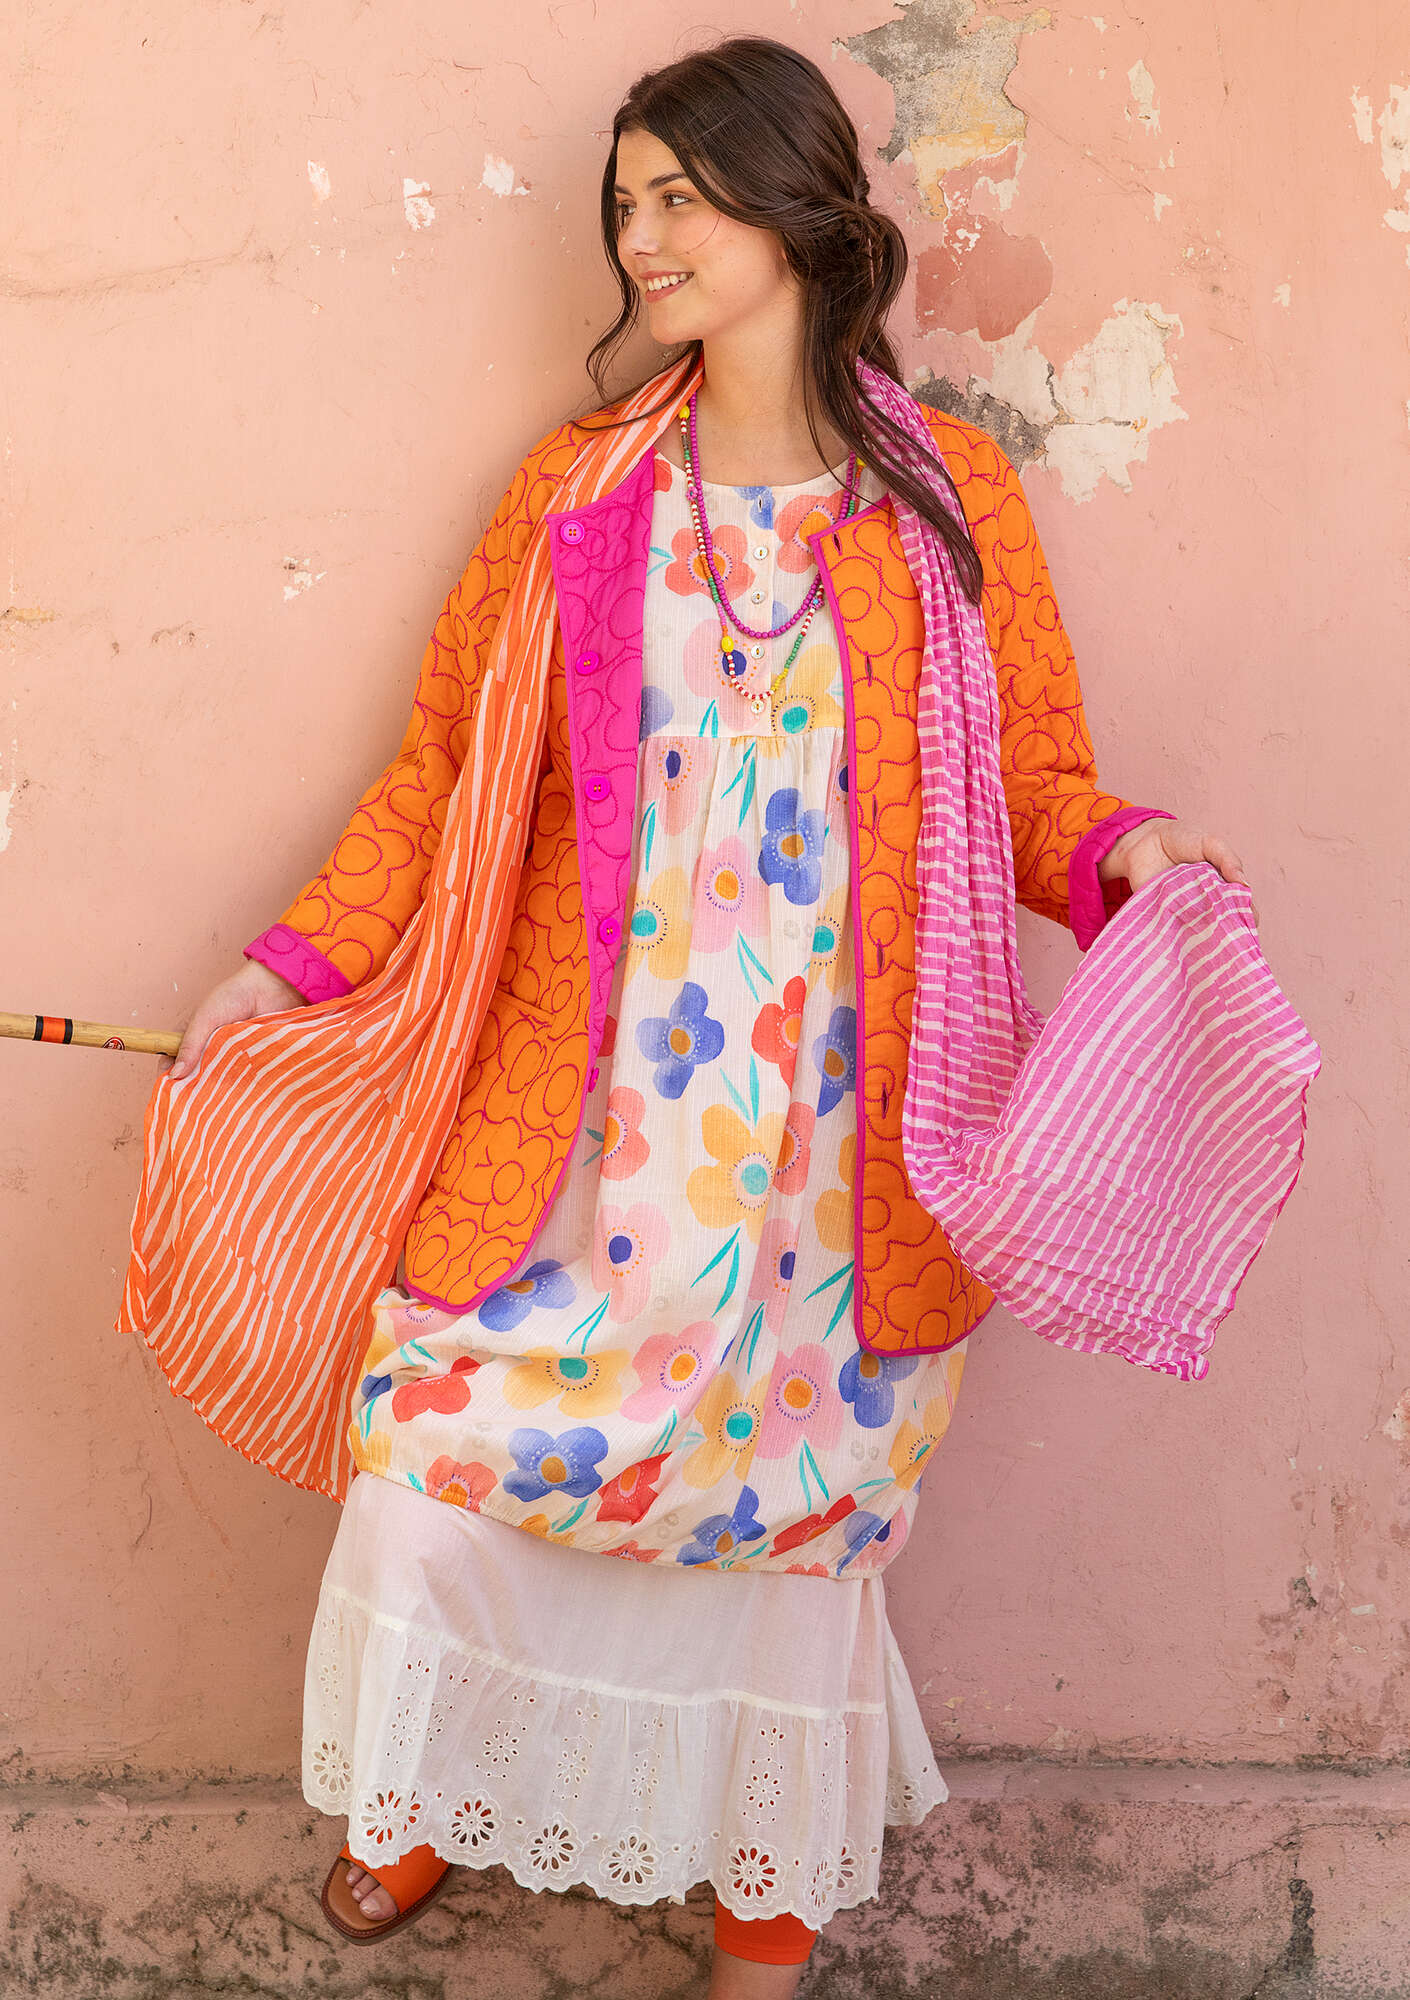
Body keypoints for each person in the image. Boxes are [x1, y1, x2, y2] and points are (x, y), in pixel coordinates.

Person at [161, 35, 1247, 1996]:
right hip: (584, 1125)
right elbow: (440, 774)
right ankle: (421, 1796)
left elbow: (1035, 781)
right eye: (626, 202)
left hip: (833, 1148)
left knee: (784, 1528)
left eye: (678, 195)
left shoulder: (948, 499)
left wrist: (1131, 855)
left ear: (795, 210)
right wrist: (292, 965)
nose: (641, 237)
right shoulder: (578, 496)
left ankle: (760, 1906)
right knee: (433, 1453)